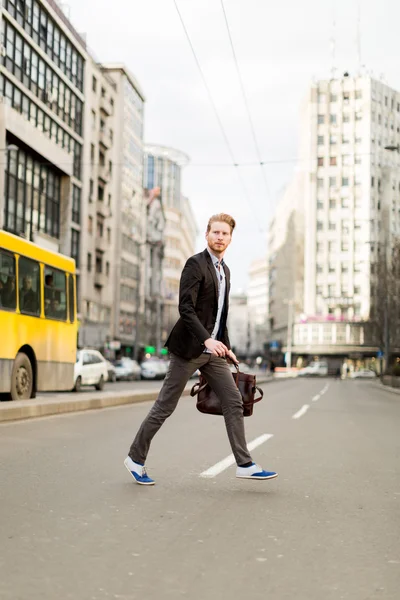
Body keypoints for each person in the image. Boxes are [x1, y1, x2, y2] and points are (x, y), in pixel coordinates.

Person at [124, 213, 278, 485]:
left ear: (230, 238)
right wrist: (207, 339)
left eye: (225, 233)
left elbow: (220, 314)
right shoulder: (195, 265)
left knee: (233, 401)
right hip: (189, 349)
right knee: (165, 406)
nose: (220, 237)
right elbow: (185, 308)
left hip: (212, 352)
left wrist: (225, 346)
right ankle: (135, 458)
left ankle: (244, 464)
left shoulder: (225, 271)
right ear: (207, 235)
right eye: (215, 232)